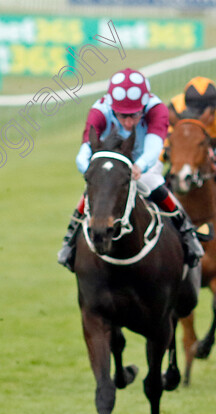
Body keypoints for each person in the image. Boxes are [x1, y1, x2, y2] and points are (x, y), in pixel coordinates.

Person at [57, 68, 204, 271]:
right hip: (112, 163)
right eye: (122, 115)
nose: (128, 122)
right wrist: (91, 170)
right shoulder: (99, 110)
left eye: (134, 115)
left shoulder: (157, 109)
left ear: (143, 105)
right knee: (95, 191)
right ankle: (69, 242)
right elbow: (83, 152)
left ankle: (188, 233)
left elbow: (154, 148)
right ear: (112, 107)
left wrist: (140, 166)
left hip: (143, 164)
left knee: (153, 184)